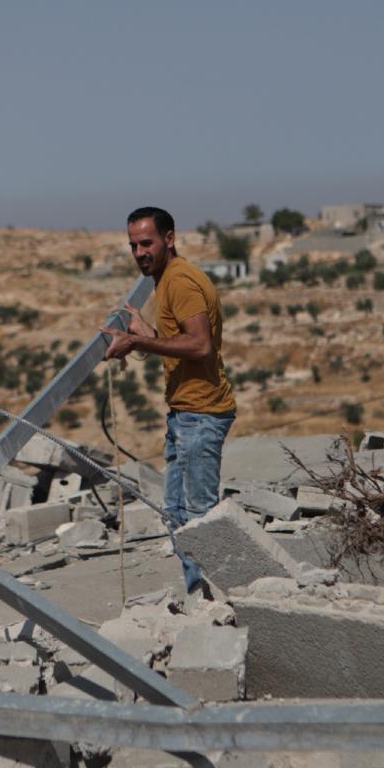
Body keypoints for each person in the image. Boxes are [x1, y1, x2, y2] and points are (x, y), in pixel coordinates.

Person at [100, 206, 236, 593]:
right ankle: (201, 596)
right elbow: (181, 340)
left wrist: (138, 340)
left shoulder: (179, 281)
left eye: (147, 243)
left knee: (199, 518)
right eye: (133, 245)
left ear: (169, 239)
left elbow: (200, 344)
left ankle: (218, 603)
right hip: (185, 414)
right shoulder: (166, 279)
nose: (140, 252)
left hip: (201, 415)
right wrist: (151, 332)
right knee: (177, 513)